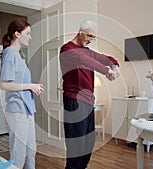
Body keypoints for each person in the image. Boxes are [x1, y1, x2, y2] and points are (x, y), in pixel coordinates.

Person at [59, 20, 120, 169]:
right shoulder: (67, 49)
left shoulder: (88, 50)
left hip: (88, 101)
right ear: (80, 32)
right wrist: (107, 71)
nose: (91, 40)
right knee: (76, 144)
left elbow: (105, 58)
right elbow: (84, 60)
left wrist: (115, 66)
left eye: (94, 37)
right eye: (89, 36)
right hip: (74, 100)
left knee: (88, 142)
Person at [0, 18, 44, 169]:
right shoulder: (10, 53)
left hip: (27, 109)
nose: (30, 37)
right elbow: (3, 84)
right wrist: (30, 86)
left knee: (31, 150)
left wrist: (32, 87)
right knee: (18, 153)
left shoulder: (20, 55)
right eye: (28, 33)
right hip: (17, 109)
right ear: (17, 34)